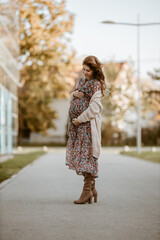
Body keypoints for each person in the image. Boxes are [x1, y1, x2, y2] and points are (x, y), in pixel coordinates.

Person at [65, 55, 109, 204]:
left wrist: (80, 119)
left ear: (94, 70)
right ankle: (92, 190)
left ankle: (87, 191)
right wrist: (73, 94)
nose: (84, 72)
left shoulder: (96, 84)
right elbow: (75, 98)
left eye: (88, 70)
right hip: (78, 128)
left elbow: (95, 108)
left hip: (88, 127)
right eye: (83, 69)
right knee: (83, 157)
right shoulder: (82, 80)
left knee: (87, 158)